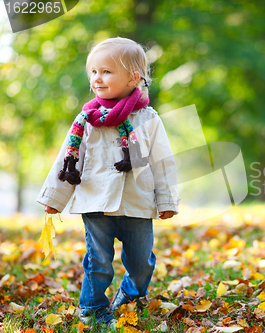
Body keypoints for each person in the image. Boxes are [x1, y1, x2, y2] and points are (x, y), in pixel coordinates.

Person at [36, 37, 180, 328]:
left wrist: (166, 200)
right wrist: (55, 198)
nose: (97, 78)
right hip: (95, 200)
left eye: (107, 72)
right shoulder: (87, 120)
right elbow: (68, 160)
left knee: (142, 262)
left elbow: (162, 163)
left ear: (133, 77)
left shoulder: (147, 119)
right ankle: (93, 308)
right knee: (98, 261)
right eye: (94, 72)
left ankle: (130, 295)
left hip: (136, 201)